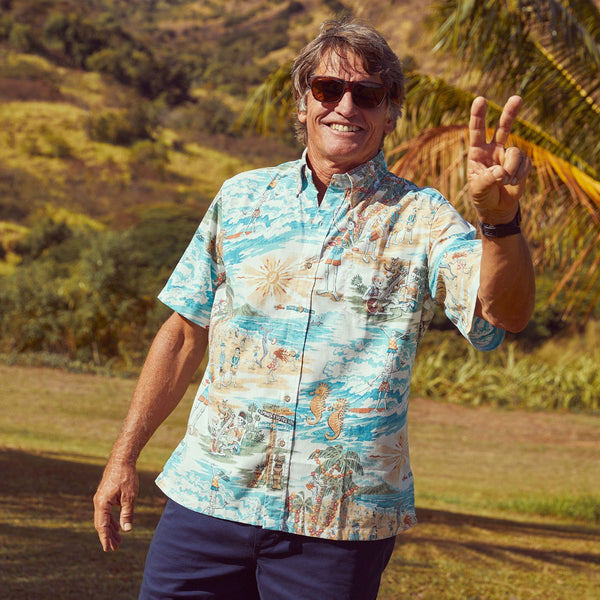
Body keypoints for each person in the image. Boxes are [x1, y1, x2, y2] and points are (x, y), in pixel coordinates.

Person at [93, 17, 535, 600]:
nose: (346, 106)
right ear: (303, 103)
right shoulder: (241, 198)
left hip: (338, 521)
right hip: (208, 499)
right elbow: (181, 335)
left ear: (389, 113)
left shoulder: (424, 218)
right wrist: (123, 456)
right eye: (329, 88)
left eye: (368, 94)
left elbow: (504, 314)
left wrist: (500, 223)